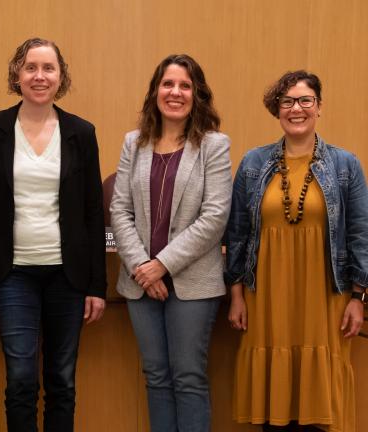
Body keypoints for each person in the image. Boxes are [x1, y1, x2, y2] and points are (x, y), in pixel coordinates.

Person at [0, 37, 106, 432]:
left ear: (60, 77)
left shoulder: (81, 132)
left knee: (62, 381)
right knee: (21, 380)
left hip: (68, 274)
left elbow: (93, 212)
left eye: (49, 68)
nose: (39, 76)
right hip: (12, 275)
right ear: (17, 73)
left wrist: (97, 285)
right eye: (31, 67)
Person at [226, 70, 368, 432]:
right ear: (278, 110)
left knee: (319, 404)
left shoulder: (345, 166)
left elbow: (359, 233)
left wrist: (358, 296)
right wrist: (236, 293)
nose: (296, 109)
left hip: (325, 297)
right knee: (275, 401)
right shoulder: (253, 164)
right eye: (287, 102)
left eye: (305, 100)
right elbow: (238, 233)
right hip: (266, 296)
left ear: (319, 107)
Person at [110, 54, 232, 432]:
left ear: (197, 95)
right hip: (139, 282)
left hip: (193, 284)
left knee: (188, 378)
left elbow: (214, 216)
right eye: (167, 84)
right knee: (156, 377)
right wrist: (142, 270)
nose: (175, 92)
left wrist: (160, 265)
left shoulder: (214, 145)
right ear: (155, 92)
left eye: (184, 85)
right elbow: (120, 208)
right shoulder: (135, 143)